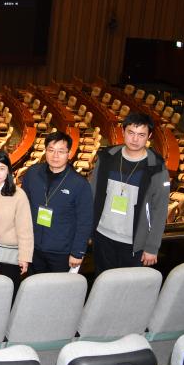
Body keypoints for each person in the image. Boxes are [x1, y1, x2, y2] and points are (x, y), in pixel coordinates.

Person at [89, 112, 170, 275]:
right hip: (103, 236)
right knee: (102, 285)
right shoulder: (106, 158)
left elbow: (160, 210)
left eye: (141, 135)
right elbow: (92, 195)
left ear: (149, 136)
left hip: (133, 242)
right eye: (131, 133)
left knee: (128, 292)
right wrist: (88, 231)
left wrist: (152, 247)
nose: (135, 139)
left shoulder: (157, 167)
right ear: (123, 132)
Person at [22, 131, 93, 274]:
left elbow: (85, 221)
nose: (55, 156)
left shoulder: (79, 183)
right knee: (33, 288)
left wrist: (77, 252)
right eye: (51, 150)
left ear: (69, 153)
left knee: (58, 292)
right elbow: (22, 209)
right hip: (33, 247)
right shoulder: (32, 173)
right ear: (45, 151)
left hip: (62, 252)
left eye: (61, 151)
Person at [0, 150, 33, 292]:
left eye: (2, 169)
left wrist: (24, 257)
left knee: (5, 298)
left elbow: (25, 229)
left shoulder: (18, 194)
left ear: (8, 171)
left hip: (7, 257)